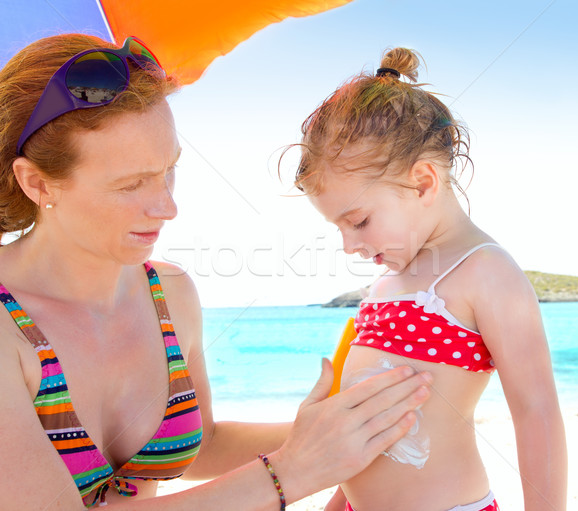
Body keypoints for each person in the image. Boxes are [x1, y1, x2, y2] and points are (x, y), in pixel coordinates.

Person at [0, 35, 433, 510]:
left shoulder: (169, 292)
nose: (167, 206)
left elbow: (199, 445)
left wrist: (340, 429)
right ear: (37, 183)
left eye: (169, 170)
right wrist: (292, 471)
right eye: (130, 185)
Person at [292, 48, 567, 510]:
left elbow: (536, 412)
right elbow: (371, 430)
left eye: (358, 221)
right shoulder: (384, 288)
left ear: (422, 183)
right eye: (338, 227)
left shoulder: (485, 272)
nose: (349, 245)